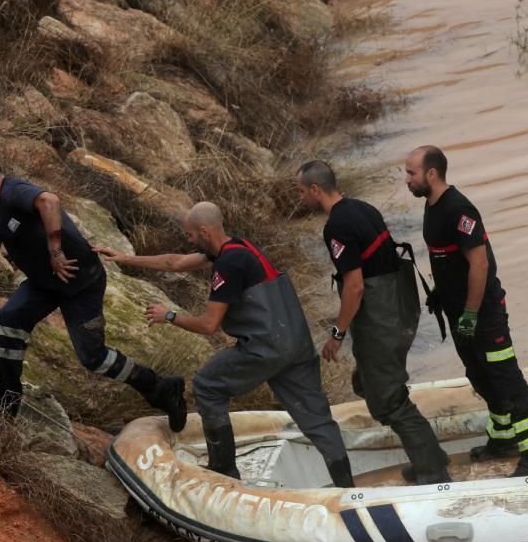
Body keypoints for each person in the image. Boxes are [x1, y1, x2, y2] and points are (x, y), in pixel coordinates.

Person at [97, 202, 354, 487]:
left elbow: (209, 325)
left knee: (207, 385)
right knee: (317, 419)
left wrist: (169, 316)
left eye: (191, 235)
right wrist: (123, 258)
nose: (189, 240)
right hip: (297, 345)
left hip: (265, 346)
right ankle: (348, 487)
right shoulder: (240, 248)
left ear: (204, 231)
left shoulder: (228, 264)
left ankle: (224, 470)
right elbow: (176, 262)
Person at [0, 154, 187, 427]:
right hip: (45, 284)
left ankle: (160, 388)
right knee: (9, 319)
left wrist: (55, 249)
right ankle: (8, 397)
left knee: (93, 357)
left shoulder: (14, 191)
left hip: (80, 284)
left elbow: (49, 201)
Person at [296, 160, 451, 485]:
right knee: (365, 383)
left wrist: (337, 334)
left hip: (382, 317)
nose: (301, 199)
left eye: (301, 192)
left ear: (315, 189)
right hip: (399, 307)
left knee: (389, 400)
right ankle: (431, 454)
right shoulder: (361, 208)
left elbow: (355, 285)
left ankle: (433, 470)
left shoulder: (336, 226)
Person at [405, 145, 528, 477]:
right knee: (480, 377)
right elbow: (448, 259)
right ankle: (502, 441)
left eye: (411, 173)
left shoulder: (459, 208)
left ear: (431, 173)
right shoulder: (432, 206)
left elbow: (479, 264)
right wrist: (442, 292)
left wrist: (470, 312)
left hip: (482, 313)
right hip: (460, 314)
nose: (407, 180)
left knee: (506, 378)